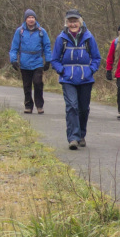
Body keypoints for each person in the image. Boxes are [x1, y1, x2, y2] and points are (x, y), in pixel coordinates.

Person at [50, 9, 101, 150]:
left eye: (75, 21)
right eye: (70, 21)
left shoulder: (89, 38)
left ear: (80, 22)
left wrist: (90, 70)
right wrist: (62, 71)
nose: (73, 24)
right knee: (72, 106)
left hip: (86, 78)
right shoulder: (61, 38)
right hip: (68, 79)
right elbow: (54, 59)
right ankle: (73, 137)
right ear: (66, 23)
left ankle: (81, 135)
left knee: (83, 109)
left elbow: (97, 58)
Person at [9, 9, 52, 114]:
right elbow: (14, 47)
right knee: (27, 85)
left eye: (33, 17)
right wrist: (13, 60)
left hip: (37, 61)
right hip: (24, 62)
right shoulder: (20, 31)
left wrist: (48, 60)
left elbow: (47, 46)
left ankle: (39, 105)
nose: (31, 19)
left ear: (35, 19)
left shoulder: (42, 31)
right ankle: (28, 105)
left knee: (38, 83)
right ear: (25, 19)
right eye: (29, 17)